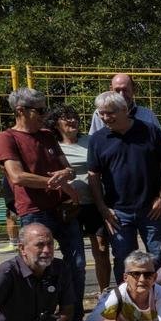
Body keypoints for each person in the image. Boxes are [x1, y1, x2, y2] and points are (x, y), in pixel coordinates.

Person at [0, 88, 86, 317]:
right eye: (40, 110)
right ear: (20, 111)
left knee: (77, 263)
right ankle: (35, 315)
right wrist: (54, 182)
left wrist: (65, 175)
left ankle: (73, 315)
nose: (45, 115)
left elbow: (67, 169)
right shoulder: (7, 138)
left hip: (62, 209)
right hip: (34, 212)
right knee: (37, 265)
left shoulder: (47, 135)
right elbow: (17, 176)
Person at [87, 90, 161, 279]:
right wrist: (103, 209)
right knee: (124, 260)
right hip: (118, 213)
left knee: (158, 257)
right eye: (101, 113)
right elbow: (93, 176)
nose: (106, 117)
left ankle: (160, 301)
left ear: (125, 109)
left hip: (152, 208)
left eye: (110, 112)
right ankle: (126, 304)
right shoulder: (97, 140)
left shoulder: (149, 130)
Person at [51, 105, 112, 295]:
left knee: (102, 250)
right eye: (66, 118)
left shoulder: (91, 141)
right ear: (55, 123)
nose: (72, 121)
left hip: (95, 204)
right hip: (70, 207)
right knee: (75, 255)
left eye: (74, 117)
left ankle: (104, 294)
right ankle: (73, 297)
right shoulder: (53, 146)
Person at [88, 73, 161, 135]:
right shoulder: (101, 114)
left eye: (125, 90)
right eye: (117, 90)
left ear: (134, 90)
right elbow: (94, 141)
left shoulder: (147, 115)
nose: (121, 95)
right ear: (111, 90)